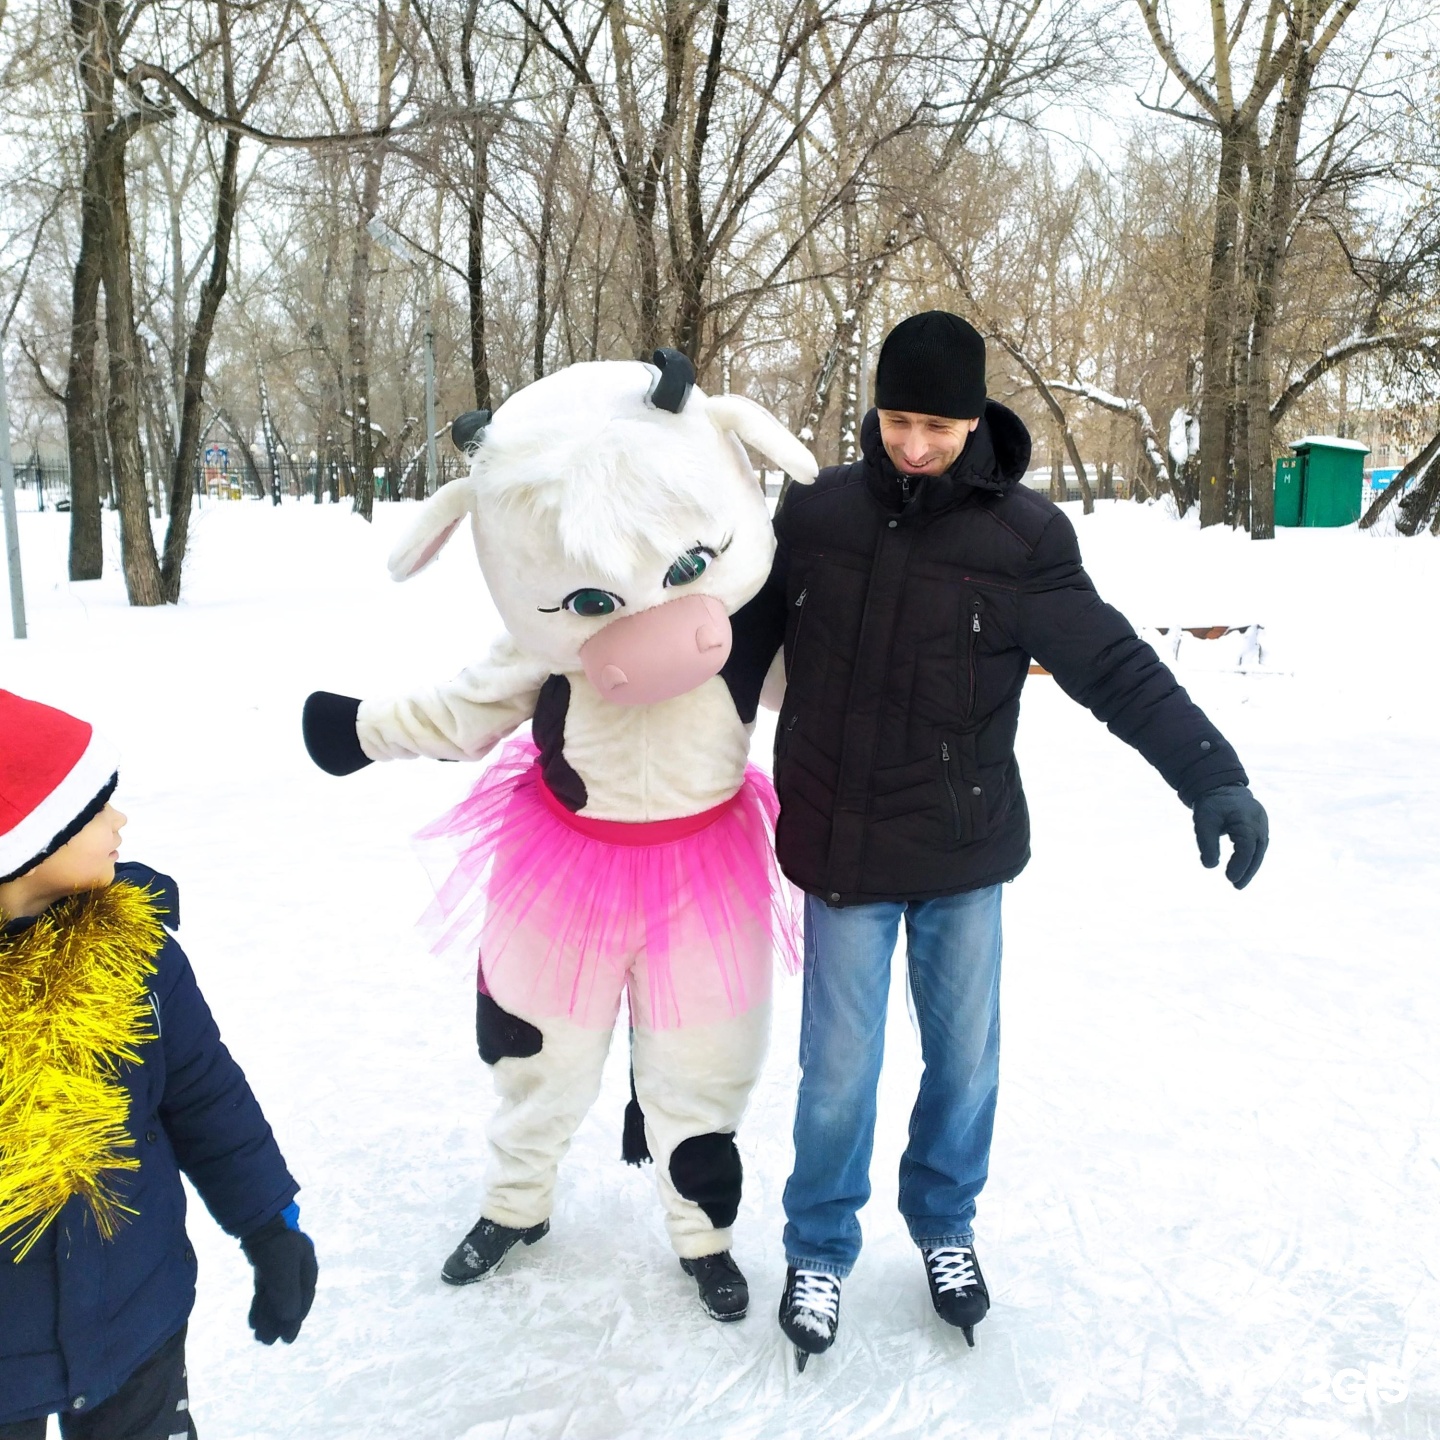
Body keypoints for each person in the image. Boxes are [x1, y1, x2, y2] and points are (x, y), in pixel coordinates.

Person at [732, 311, 1269, 1367]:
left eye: (937, 424)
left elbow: (1114, 666)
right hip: (842, 851)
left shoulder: (1021, 540)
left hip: (964, 857)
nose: (916, 446)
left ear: (975, 419)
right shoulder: (816, 517)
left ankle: (943, 1227)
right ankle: (820, 1247)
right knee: (836, 1072)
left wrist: (1212, 776)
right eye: (896, 421)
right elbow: (736, 651)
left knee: (965, 1066)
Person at [0, 690, 317, 1439]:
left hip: (134, 1321)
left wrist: (271, 1223)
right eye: (94, 809)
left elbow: (207, 1098)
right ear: (25, 839)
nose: (121, 823)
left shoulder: (134, 957)